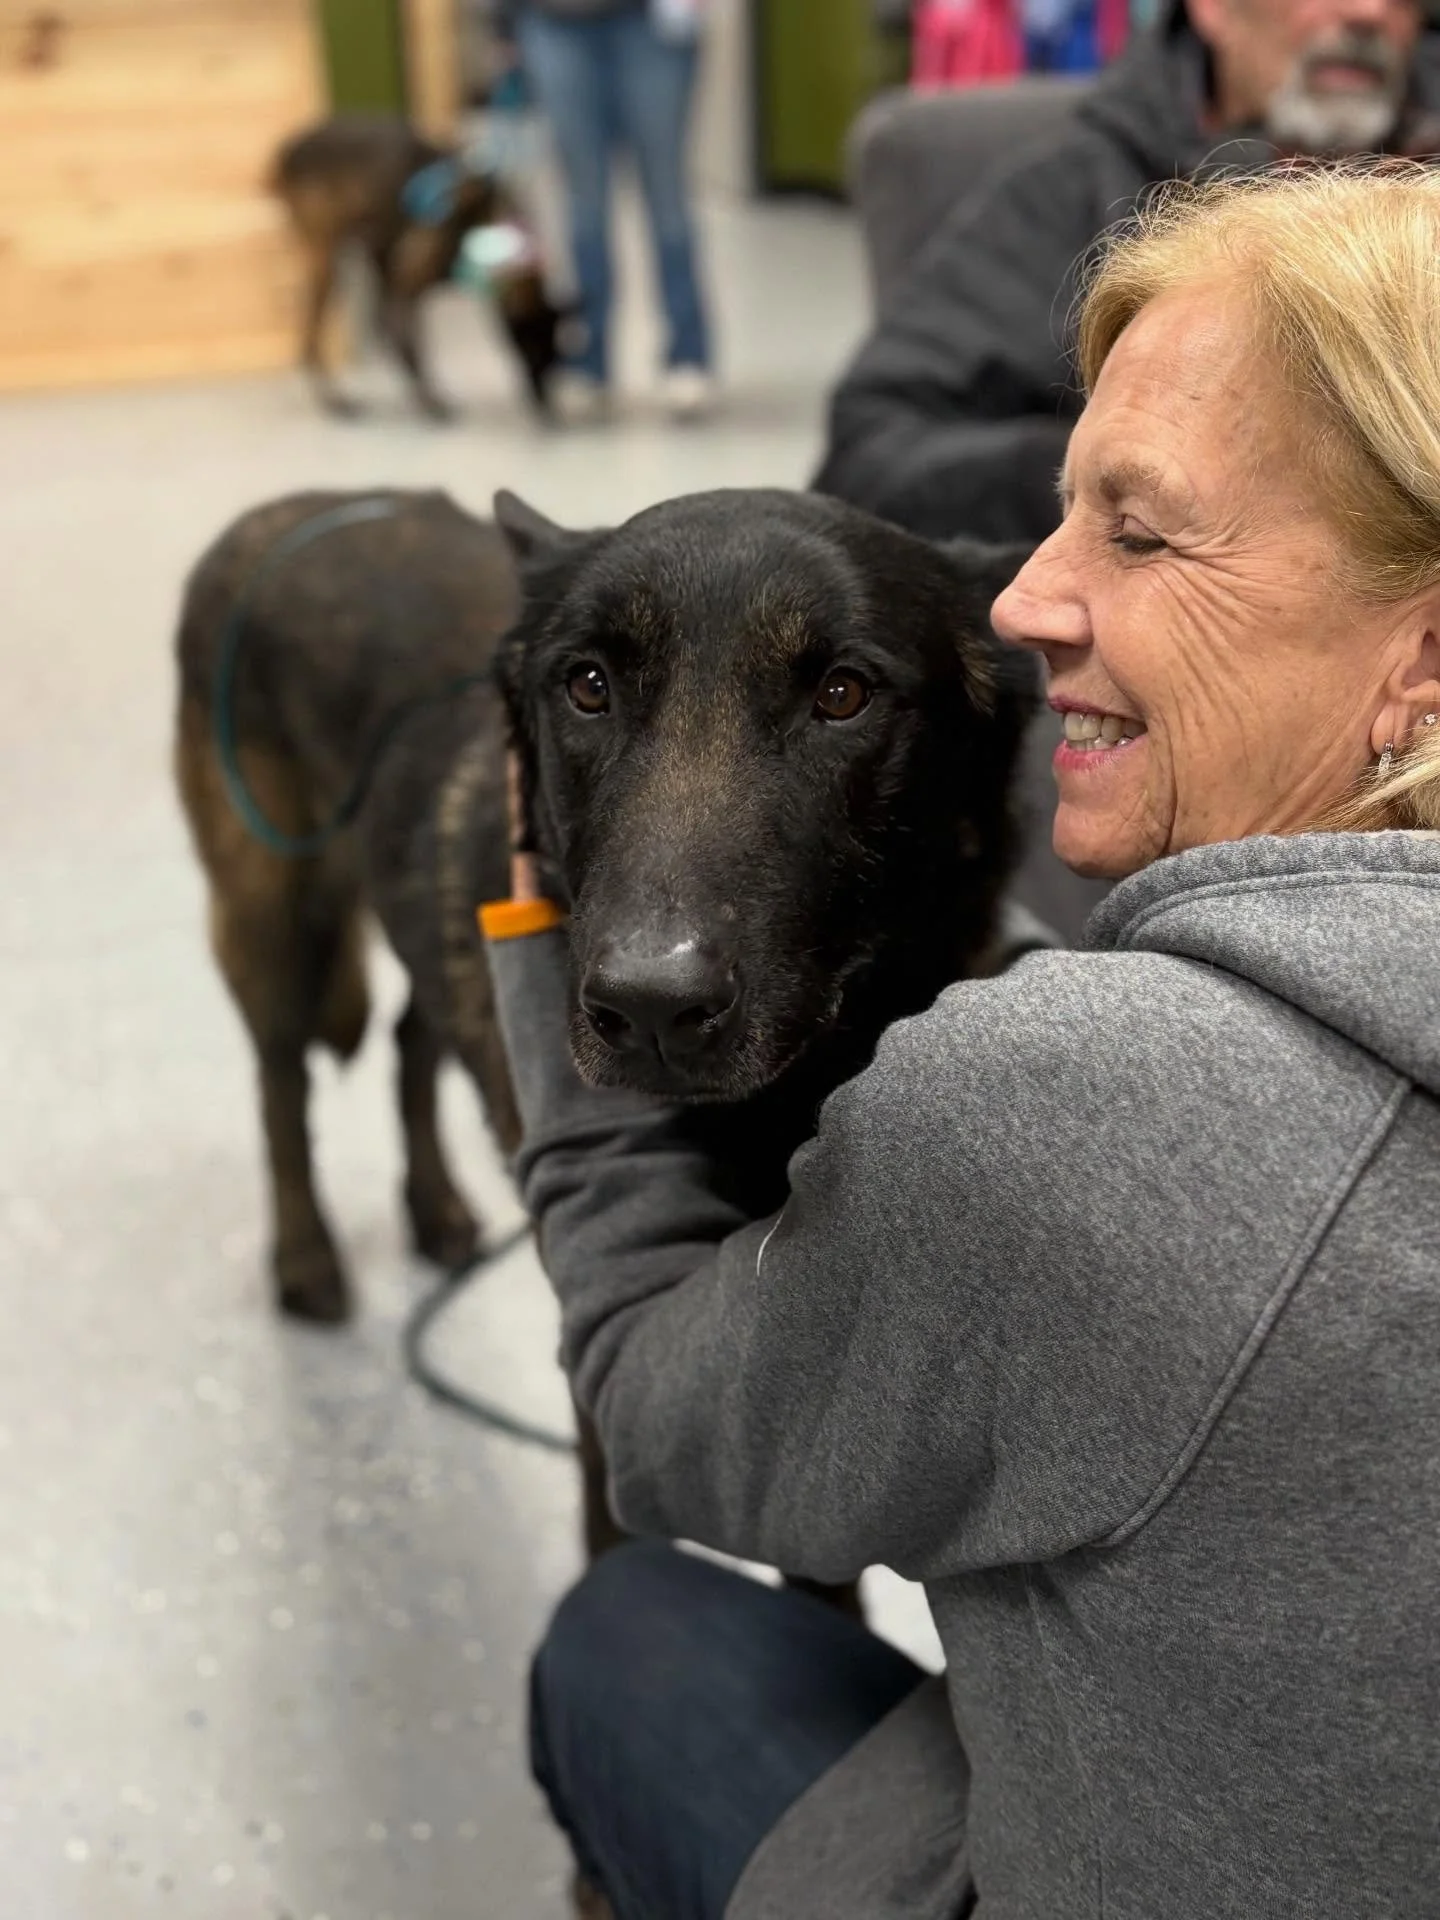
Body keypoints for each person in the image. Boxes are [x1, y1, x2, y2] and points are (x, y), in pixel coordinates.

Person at [481, 164, 1440, 1919]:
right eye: (1063, 512)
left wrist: (552, 965)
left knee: (634, 1627)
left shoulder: (1061, 1114)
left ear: (1424, 652)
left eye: (1139, 532)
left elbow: (657, 1421)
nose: (1015, 603)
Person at [814, 0, 1440, 542]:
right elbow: (872, 451)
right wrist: (1118, 470)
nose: (1369, 12)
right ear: (1213, 8)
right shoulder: (1084, 189)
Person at [496, 0, 714, 421]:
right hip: (552, 23)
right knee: (584, 206)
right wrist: (501, 24)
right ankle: (590, 359)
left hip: (651, 25)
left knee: (668, 198)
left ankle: (688, 355)